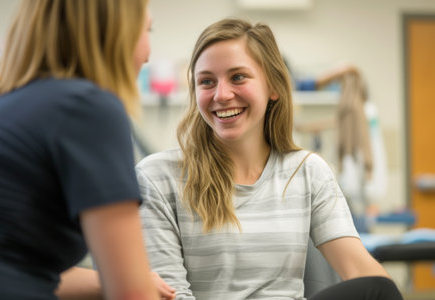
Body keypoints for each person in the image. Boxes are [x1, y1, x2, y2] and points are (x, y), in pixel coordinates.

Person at [136, 18, 404, 300]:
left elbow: (360, 269)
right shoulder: (157, 177)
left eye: (238, 77)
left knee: (378, 289)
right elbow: (169, 294)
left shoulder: (308, 172)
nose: (222, 94)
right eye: (207, 82)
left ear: (273, 87)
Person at [0, 1, 175, 299]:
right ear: (114, 33)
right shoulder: (88, 107)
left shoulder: (8, 108)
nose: (148, 54)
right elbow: (132, 293)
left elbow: (22, 269)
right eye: (146, 30)